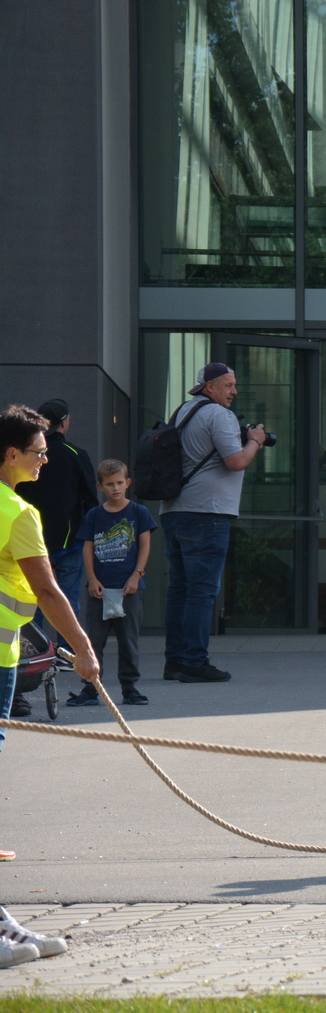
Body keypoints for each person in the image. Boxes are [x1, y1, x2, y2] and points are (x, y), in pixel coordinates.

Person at [1, 404, 102, 950]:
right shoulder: (17, 511)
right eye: (40, 452)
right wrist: (83, 648)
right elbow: (46, 591)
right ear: (11, 454)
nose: (46, 459)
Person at [159, 363, 269, 683]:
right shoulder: (219, 415)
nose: (234, 391)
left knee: (180, 589)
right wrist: (256, 441)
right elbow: (236, 461)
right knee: (202, 591)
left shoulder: (182, 412)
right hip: (207, 514)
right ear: (210, 386)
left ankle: (176, 661)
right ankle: (194, 662)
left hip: (174, 511)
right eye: (229, 385)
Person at [13, 398, 97, 715]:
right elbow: (91, 501)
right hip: (62, 545)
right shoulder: (75, 455)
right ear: (64, 422)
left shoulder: (23, 464)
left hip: (32, 548)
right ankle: (70, 659)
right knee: (63, 604)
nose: (43, 461)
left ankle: (28, 673)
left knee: (29, 615)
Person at [68, 459, 156, 708]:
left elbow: (145, 544)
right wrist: (92, 579)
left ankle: (130, 688)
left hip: (129, 588)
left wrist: (136, 575)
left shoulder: (139, 512)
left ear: (128, 483)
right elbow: (88, 548)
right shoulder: (94, 515)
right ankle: (91, 688)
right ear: (100, 486)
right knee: (93, 642)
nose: (115, 488)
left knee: (129, 640)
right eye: (110, 484)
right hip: (100, 589)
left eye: (119, 483)